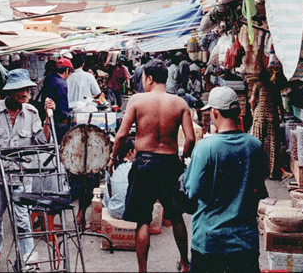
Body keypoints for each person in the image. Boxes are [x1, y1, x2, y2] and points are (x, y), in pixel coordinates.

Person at [109, 59, 195, 273]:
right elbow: (191, 139)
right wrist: (182, 159)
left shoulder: (137, 101)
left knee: (142, 220)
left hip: (144, 163)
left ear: (149, 78)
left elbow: (121, 135)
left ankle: (143, 270)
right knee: (175, 216)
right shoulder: (180, 103)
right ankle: (184, 263)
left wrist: (113, 158)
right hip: (169, 163)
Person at [0, 68, 55, 272]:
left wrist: (47, 119)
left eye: (27, 89)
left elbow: (41, 142)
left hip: (20, 176)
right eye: (20, 89)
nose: (25, 93)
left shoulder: (32, 113)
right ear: (10, 91)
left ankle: (27, 259)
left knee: (22, 219)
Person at [184, 87, 267, 273]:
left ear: (214, 112)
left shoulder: (205, 147)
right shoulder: (255, 146)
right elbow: (258, 190)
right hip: (244, 242)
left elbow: (191, 192)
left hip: (209, 241)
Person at [250, 70, 284, 179]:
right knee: (272, 144)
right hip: (272, 115)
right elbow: (279, 103)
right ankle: (272, 172)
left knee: (257, 142)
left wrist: (252, 111)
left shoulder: (257, 85)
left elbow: (252, 100)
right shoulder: (274, 87)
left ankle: (257, 171)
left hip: (259, 115)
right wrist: (281, 115)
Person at [40, 58, 73, 142]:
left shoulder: (49, 78)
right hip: (57, 123)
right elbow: (62, 111)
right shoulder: (61, 84)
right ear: (67, 70)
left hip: (46, 119)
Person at [103, 137, 136, 219]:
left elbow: (109, 191)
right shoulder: (135, 168)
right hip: (131, 214)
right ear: (130, 152)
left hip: (114, 212)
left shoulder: (112, 167)